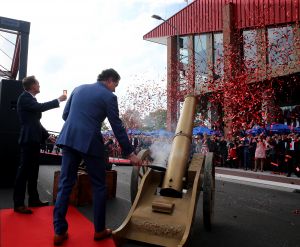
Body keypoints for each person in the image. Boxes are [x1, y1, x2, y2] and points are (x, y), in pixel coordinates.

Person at [53, 68, 142, 245]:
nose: (115, 89)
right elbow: (116, 126)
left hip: (69, 138)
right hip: (89, 142)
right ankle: (99, 230)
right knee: (100, 186)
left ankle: (59, 232)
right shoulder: (109, 97)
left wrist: (79, 125)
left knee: (65, 184)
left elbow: (65, 115)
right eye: (115, 85)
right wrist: (130, 153)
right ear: (109, 80)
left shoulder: (78, 89)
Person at [13, 75, 67, 214]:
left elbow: (36, 123)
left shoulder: (30, 99)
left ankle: (33, 199)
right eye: (38, 84)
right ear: (32, 86)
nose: (39, 86)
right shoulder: (24, 98)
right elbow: (41, 107)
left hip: (34, 139)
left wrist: (48, 136)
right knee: (24, 172)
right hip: (28, 139)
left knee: (33, 171)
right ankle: (18, 204)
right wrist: (59, 99)